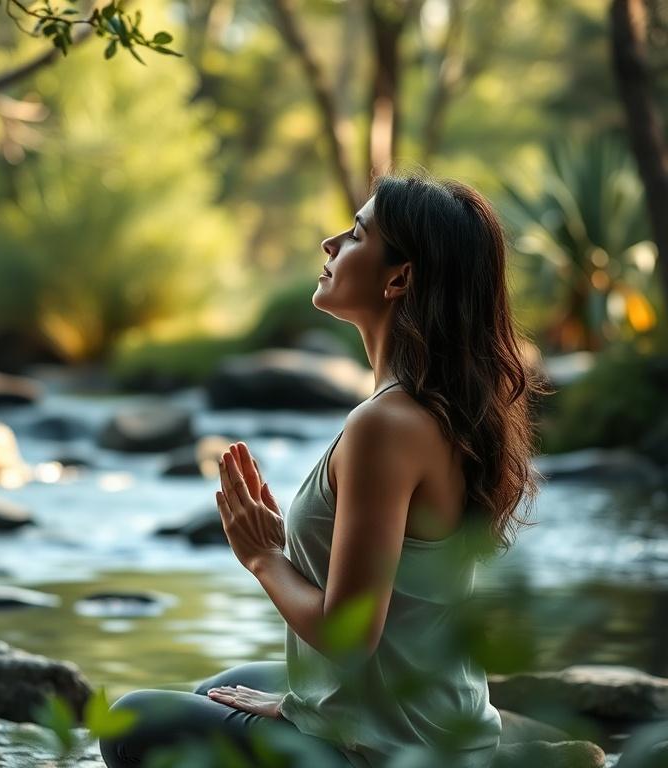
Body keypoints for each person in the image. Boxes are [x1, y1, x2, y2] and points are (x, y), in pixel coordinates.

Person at [99, 171, 547, 768]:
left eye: (356, 234)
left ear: (400, 278)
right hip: (430, 726)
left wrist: (264, 557)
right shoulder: (438, 408)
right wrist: (299, 703)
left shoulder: (386, 425)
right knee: (220, 686)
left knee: (129, 722)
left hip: (398, 753)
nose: (329, 244)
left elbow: (348, 635)